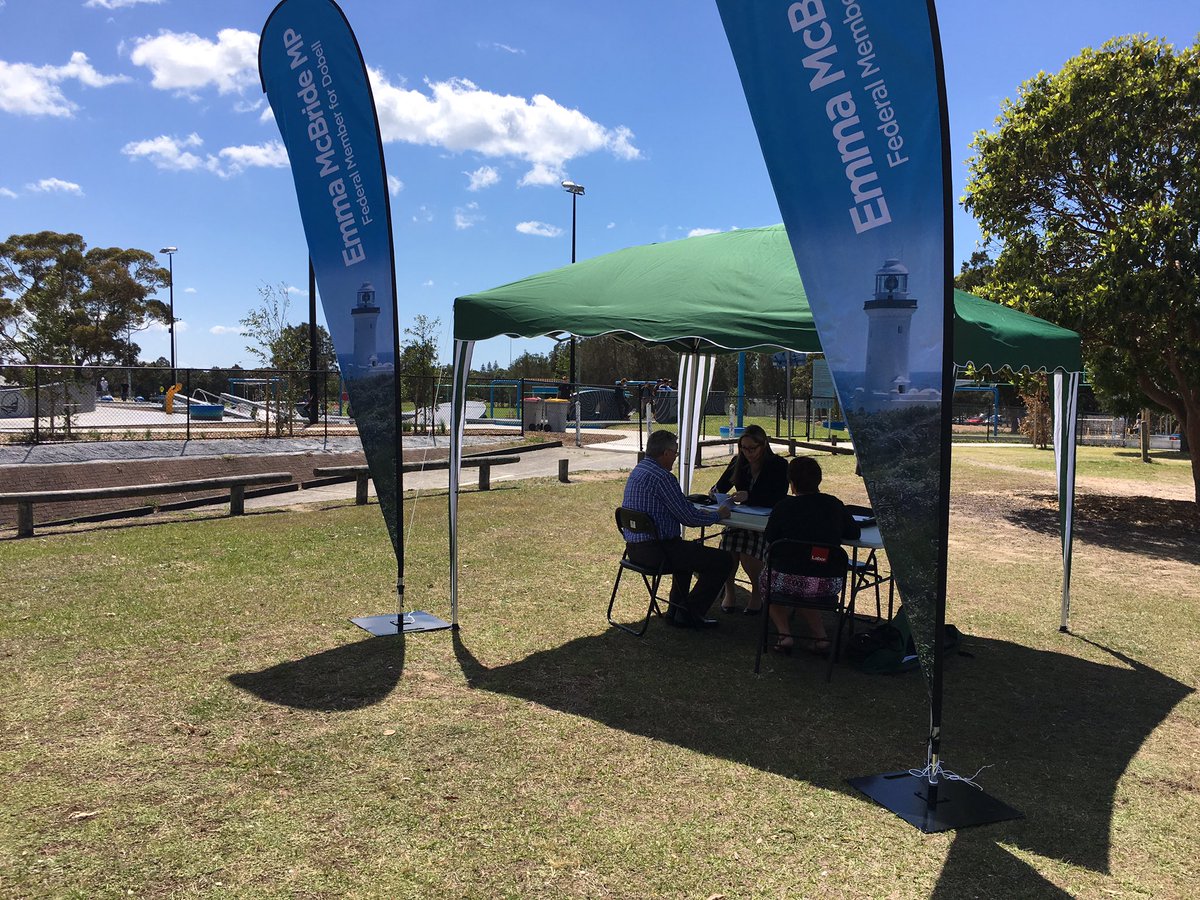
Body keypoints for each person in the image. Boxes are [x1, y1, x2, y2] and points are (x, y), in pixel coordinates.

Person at [622, 429, 735, 628]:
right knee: (723, 560)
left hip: (635, 549)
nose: (675, 457)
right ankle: (690, 612)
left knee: (686, 551)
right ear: (665, 453)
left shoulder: (639, 470)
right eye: (675, 452)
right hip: (659, 551)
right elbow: (688, 517)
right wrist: (719, 514)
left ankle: (676, 610)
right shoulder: (663, 478)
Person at [759, 455, 860, 655]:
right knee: (806, 585)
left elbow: (770, 537)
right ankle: (820, 637)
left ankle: (784, 634)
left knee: (766, 581)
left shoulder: (783, 507)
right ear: (818, 480)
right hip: (826, 582)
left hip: (785, 579)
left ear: (792, 484)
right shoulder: (834, 504)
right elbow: (854, 533)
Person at [710, 424, 788, 614]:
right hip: (741, 520)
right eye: (744, 448)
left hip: (765, 522)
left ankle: (756, 593)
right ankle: (730, 592)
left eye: (752, 448)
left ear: (763, 445)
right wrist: (715, 493)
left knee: (748, 552)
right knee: (728, 546)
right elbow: (721, 486)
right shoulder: (738, 461)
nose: (748, 453)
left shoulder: (778, 465)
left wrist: (749, 497)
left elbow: (779, 496)